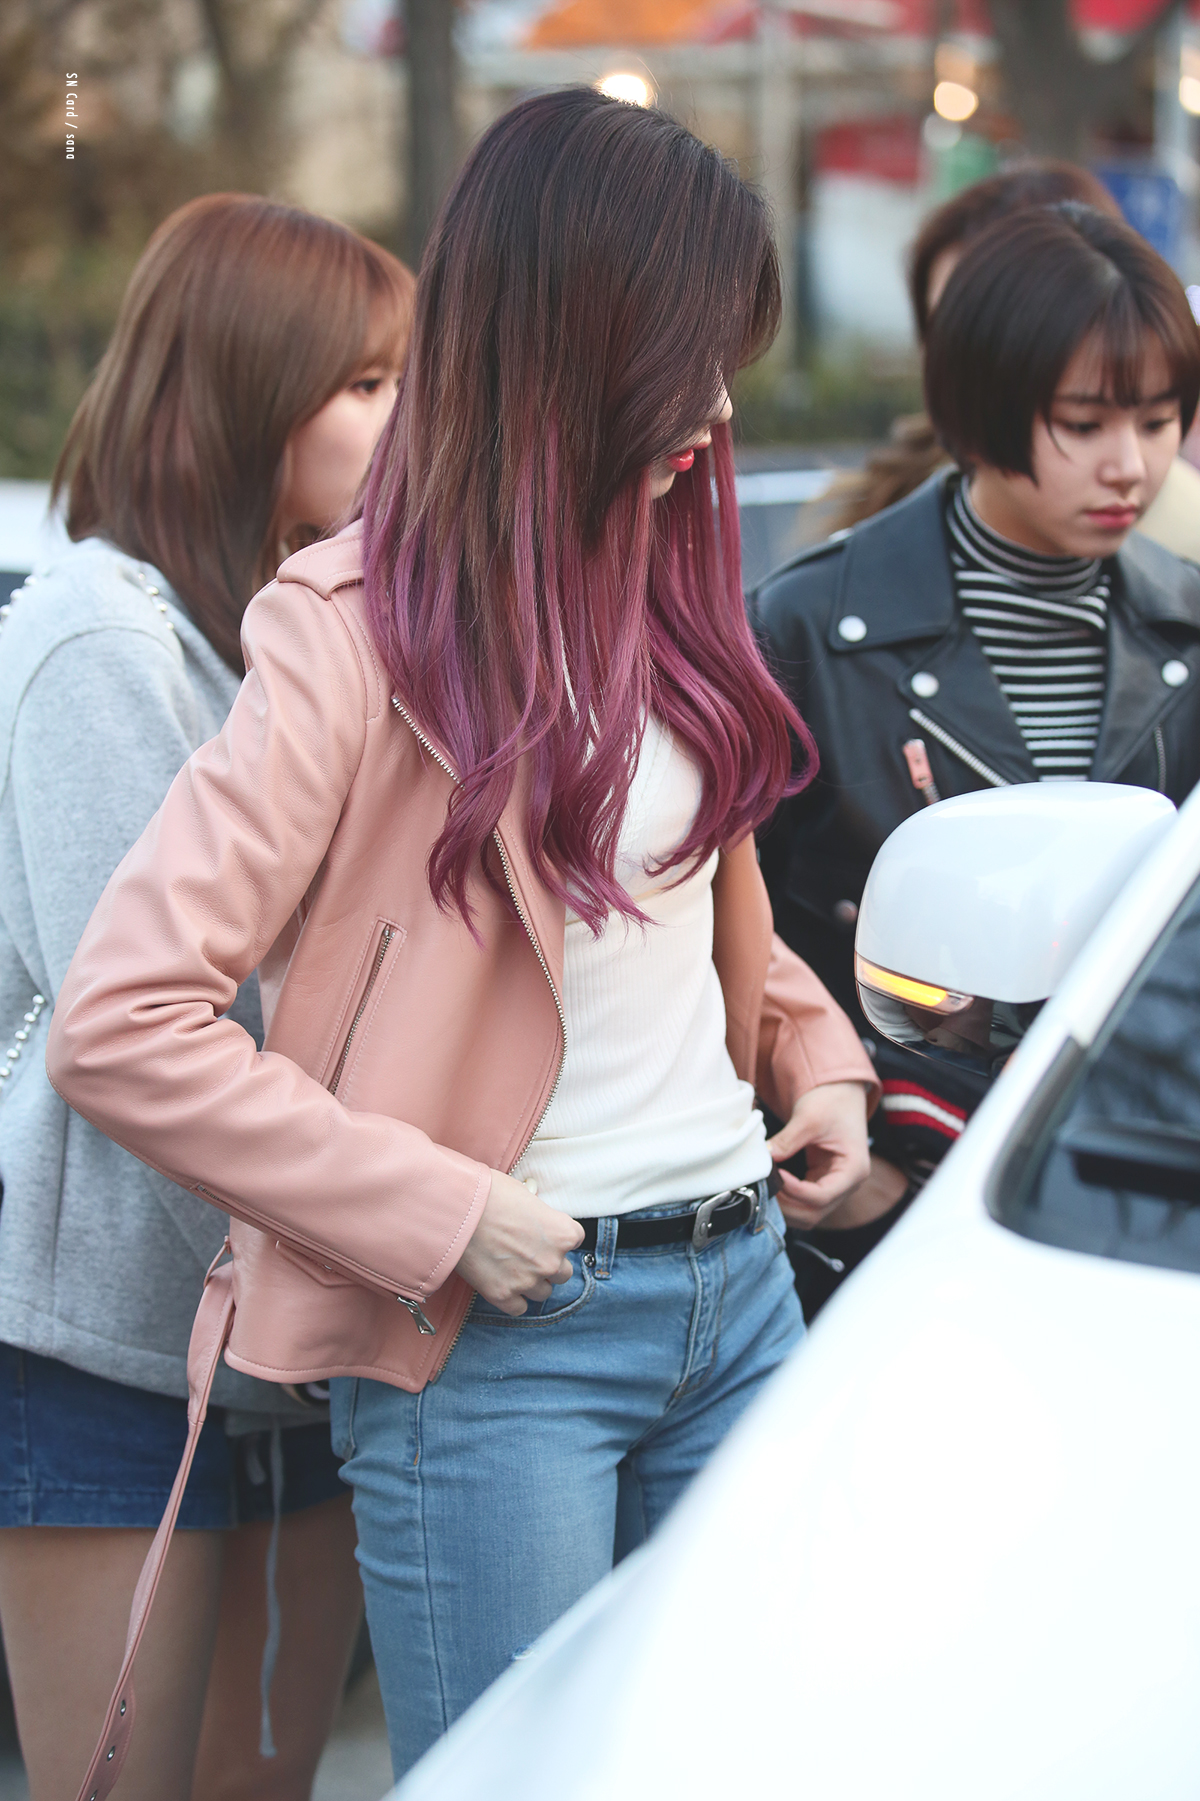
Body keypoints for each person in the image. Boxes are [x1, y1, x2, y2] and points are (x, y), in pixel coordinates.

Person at [45, 89, 879, 1783]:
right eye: (690, 356)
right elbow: (121, 1020)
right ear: (570, 336)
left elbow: (668, 897)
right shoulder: (349, 633)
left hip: (741, 1287)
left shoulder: (660, 585)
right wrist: (438, 1211)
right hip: (503, 1343)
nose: (720, 409)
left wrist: (818, 1054)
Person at [0, 193, 413, 1800]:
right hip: (116, 1349)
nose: (406, 420)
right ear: (246, 391)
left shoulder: (293, 628)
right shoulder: (100, 633)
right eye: (366, 384)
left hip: (302, 1326)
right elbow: (148, 1036)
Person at [753, 201, 1200, 1320]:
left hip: (1122, 1195)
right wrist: (864, 1177)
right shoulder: (812, 625)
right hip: (870, 1196)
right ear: (979, 402)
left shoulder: (1188, 625)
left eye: (1159, 421)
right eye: (1084, 423)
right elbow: (726, 937)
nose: (1131, 464)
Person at [823, 161, 1200, 561]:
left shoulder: (1178, 557)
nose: (964, 355)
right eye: (947, 322)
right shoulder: (884, 508)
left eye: (1155, 423)